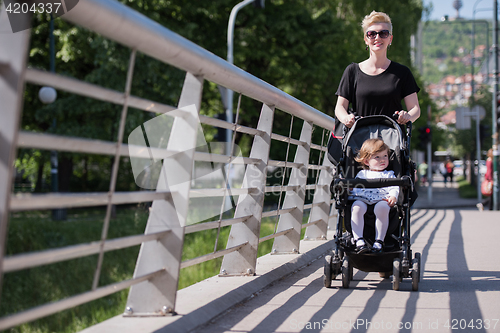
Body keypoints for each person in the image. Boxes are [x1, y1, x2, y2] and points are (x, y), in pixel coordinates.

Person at [335, 11, 421, 128]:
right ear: (366, 39)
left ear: (390, 39)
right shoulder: (352, 71)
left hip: (391, 141)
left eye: (383, 33)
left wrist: (407, 116)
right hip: (360, 140)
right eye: (371, 34)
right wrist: (346, 118)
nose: (377, 38)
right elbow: (340, 107)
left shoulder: (402, 73)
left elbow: (415, 109)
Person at [349, 138, 399, 254]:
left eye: (385, 156)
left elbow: (394, 187)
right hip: (363, 199)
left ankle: (379, 241)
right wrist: (350, 188)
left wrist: (393, 196)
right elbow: (356, 189)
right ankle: (358, 240)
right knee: (356, 207)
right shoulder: (362, 174)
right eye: (377, 157)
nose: (383, 160)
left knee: (382, 208)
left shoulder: (389, 174)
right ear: (366, 161)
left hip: (382, 199)